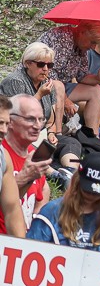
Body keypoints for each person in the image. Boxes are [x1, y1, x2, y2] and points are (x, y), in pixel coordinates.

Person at [1, 43, 83, 174]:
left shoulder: (46, 83)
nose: (45, 69)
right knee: (32, 150)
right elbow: (15, 115)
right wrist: (39, 95)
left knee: (72, 143)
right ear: (28, 64)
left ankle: (71, 171)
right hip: (19, 135)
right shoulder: (15, 81)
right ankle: (55, 174)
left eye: (49, 65)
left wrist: (51, 133)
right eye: (41, 65)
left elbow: (50, 119)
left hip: (40, 134)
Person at [26, 152, 100, 253]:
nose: (91, 196)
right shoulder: (51, 212)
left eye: (97, 193)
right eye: (87, 190)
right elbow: (31, 250)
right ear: (77, 181)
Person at [37, 21, 100, 136]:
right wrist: (66, 100)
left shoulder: (81, 47)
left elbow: (82, 76)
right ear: (82, 32)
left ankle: (93, 137)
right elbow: (48, 74)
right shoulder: (61, 38)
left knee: (96, 90)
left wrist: (98, 78)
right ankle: (57, 135)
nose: (93, 47)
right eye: (92, 42)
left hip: (61, 86)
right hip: (38, 83)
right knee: (59, 86)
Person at [0, 95, 51, 233]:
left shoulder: (33, 155)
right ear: (11, 120)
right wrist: (24, 177)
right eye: (30, 119)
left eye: (41, 119)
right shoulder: (3, 155)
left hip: (20, 240)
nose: (37, 126)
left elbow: (43, 191)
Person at [0, 96, 26, 237]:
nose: (4, 130)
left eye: (7, 124)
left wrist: (21, 246)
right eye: (0, 123)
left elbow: (12, 210)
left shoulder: (3, 157)